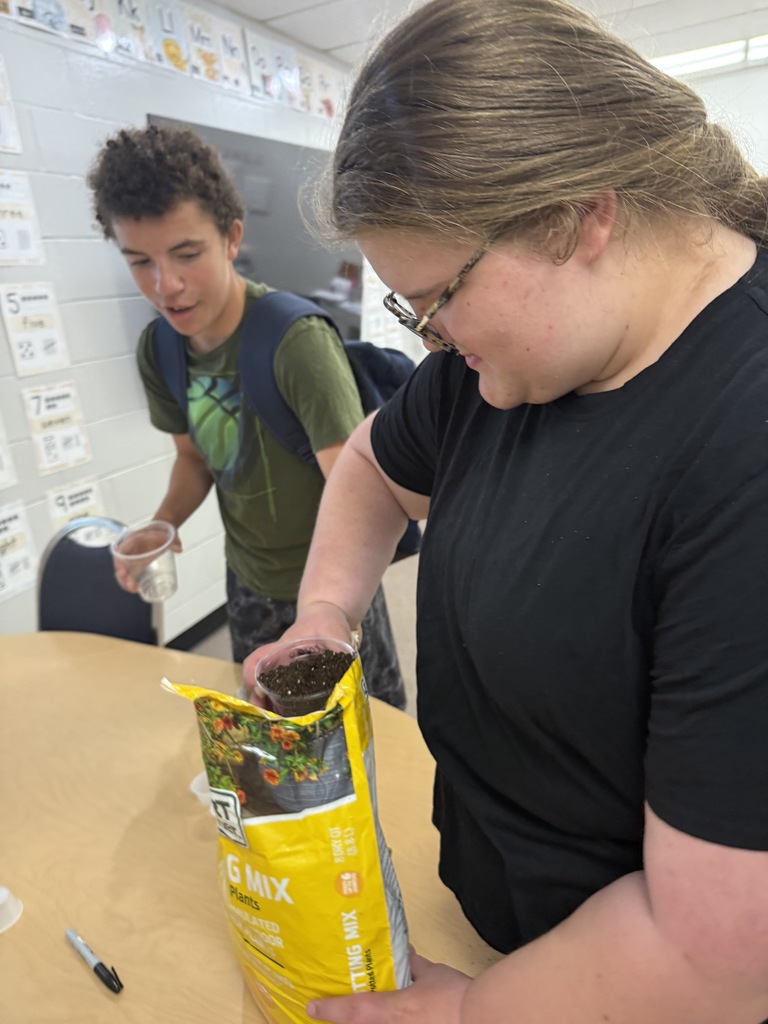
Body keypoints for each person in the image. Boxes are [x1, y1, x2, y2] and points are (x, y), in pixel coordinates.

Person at [241, 0, 768, 1020]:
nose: (429, 340)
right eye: (409, 313)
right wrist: (324, 615)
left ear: (578, 213)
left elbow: (723, 951)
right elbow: (370, 468)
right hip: (492, 919)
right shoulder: (502, 361)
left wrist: (472, 1013)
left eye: (437, 300)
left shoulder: (741, 449)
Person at [86, 124, 406, 709]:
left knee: (366, 732)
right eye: (140, 262)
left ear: (232, 237)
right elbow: (192, 456)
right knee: (268, 739)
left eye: (187, 254)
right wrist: (163, 524)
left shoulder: (295, 341)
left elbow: (359, 488)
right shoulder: (160, 350)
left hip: (328, 588)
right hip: (248, 583)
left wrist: (327, 609)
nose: (167, 285)